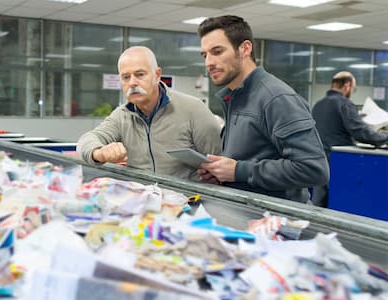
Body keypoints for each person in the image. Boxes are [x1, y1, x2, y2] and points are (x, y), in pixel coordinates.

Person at [196, 15, 329, 203]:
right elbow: (250, 159)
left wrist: (238, 171)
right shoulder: (235, 97)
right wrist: (221, 173)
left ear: (245, 48)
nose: (208, 62)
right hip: (246, 215)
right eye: (205, 54)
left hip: (277, 222)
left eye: (217, 51)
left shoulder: (276, 98)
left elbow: (313, 169)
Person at [77, 46, 222, 181]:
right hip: (142, 201)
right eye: (126, 77)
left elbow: (219, 161)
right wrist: (99, 152)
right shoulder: (122, 115)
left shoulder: (193, 109)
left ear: (157, 75)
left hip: (189, 201)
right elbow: (87, 140)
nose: (132, 83)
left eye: (140, 75)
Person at [311, 71, 388, 207]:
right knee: (341, 204)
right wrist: (384, 137)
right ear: (347, 85)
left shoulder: (318, 105)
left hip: (318, 160)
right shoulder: (344, 103)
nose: (352, 91)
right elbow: (361, 133)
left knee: (320, 204)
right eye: (353, 89)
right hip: (339, 164)